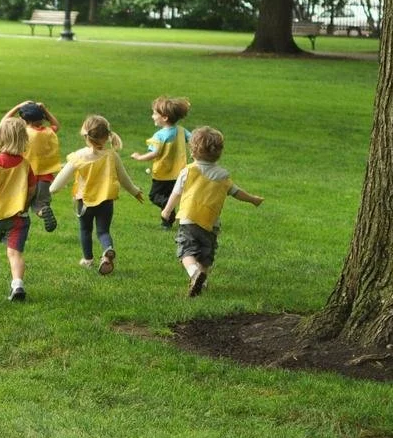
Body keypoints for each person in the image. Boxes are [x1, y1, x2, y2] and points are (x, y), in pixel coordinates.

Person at [159, 126, 265, 297]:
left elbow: (176, 193)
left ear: (192, 151)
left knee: (186, 251)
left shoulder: (188, 171)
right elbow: (237, 193)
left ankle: (194, 274)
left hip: (189, 220)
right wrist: (253, 199)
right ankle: (203, 281)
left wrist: (167, 210)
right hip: (210, 224)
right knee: (205, 255)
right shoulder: (222, 175)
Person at [50, 115, 145, 276]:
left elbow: (60, 180)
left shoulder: (78, 156)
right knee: (103, 232)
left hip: (84, 202)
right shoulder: (111, 156)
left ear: (85, 135)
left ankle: (88, 260)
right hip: (106, 202)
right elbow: (124, 179)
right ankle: (107, 251)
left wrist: (51, 190)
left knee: (85, 230)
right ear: (107, 136)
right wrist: (135, 191)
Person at [0, 117, 37, 302]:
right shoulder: (25, 165)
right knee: (15, 253)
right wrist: (25, 205)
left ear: (0, 138)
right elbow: (31, 190)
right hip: (18, 217)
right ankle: (17, 285)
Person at [130, 96, 192, 227]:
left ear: (164, 117)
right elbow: (193, 141)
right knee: (169, 195)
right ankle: (167, 223)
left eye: (154, 113)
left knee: (155, 196)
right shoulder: (181, 131)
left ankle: (169, 208)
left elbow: (155, 153)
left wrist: (139, 157)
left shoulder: (159, 135)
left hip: (163, 173)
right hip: (178, 172)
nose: (152, 116)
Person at [3, 99, 61, 232]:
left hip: (25, 175)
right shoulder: (47, 132)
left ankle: (14, 225)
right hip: (45, 176)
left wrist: (17, 106)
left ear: (23, 120)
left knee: (20, 202)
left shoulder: (23, 132)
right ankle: (42, 211)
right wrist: (44, 109)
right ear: (42, 118)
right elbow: (56, 125)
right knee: (40, 205)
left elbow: (4, 123)